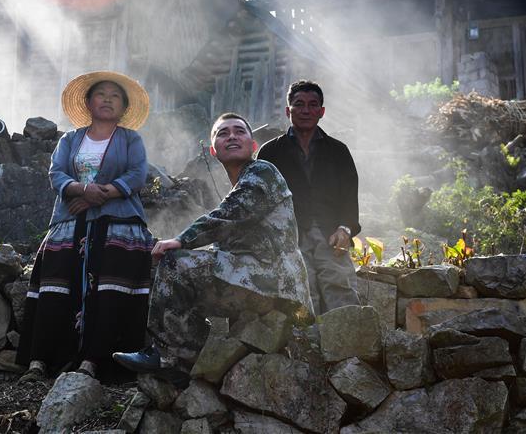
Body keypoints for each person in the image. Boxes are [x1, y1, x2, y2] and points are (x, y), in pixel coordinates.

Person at [111, 113, 313, 376]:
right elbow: (228, 245)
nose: (231, 136)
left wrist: (181, 240)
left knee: (176, 263)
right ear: (213, 150)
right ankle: (193, 361)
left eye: (239, 131)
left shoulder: (262, 171)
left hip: (275, 280)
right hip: (256, 279)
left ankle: (172, 356)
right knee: (178, 276)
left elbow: (228, 216)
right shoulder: (239, 185)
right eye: (223, 133)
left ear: (253, 146)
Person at [17, 71, 153, 382]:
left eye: (115, 95)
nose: (107, 99)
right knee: (56, 287)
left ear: (123, 107)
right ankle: (41, 361)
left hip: (117, 223)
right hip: (70, 222)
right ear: (89, 103)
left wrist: (96, 196)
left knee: (109, 291)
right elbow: (57, 174)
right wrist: (81, 190)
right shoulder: (70, 139)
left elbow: (136, 174)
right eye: (101, 94)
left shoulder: (131, 139)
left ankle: (95, 360)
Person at [257, 80, 361, 314]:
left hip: (331, 236)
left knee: (341, 291)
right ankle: (308, 349)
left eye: (313, 104)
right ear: (288, 111)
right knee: (302, 297)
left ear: (321, 112)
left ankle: (347, 350)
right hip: (290, 237)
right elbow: (261, 199)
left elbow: (349, 197)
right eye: (299, 104)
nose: (306, 110)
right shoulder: (270, 152)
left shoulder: (338, 151)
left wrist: (345, 229)